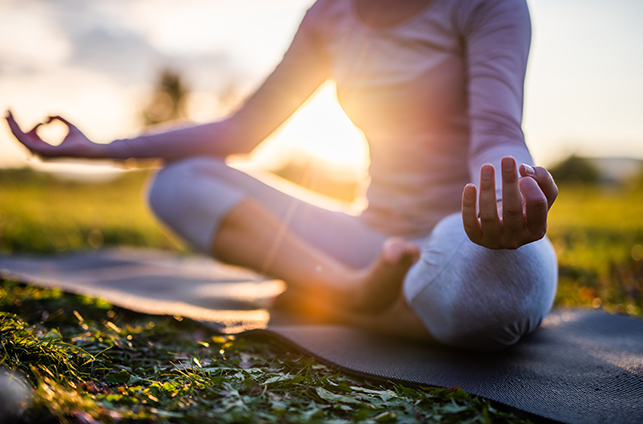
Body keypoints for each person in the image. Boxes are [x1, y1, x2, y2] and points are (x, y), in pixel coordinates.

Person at [6, 0, 558, 351]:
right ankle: (347, 293)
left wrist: (507, 192)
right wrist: (100, 149)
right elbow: (241, 130)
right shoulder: (330, 16)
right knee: (178, 182)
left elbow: (496, 130)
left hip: (460, 236)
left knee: (503, 288)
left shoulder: (488, 5)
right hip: (369, 240)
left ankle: (337, 296)